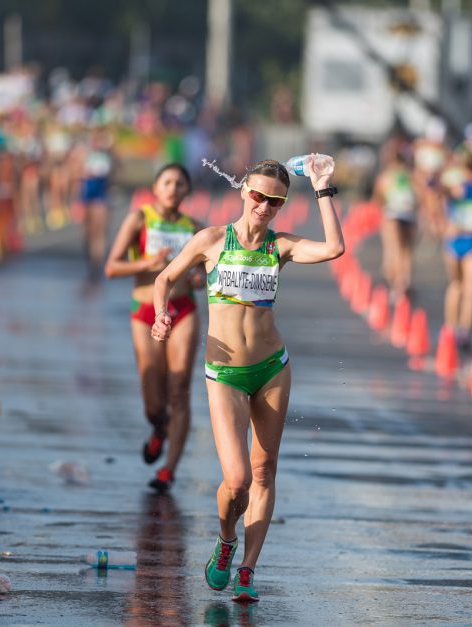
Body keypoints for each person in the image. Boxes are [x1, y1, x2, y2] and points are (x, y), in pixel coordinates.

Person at [152, 157, 344, 602]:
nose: (264, 206)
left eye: (275, 201)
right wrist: (162, 314)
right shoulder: (212, 240)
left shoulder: (282, 245)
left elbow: (334, 248)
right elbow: (165, 278)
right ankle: (225, 541)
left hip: (272, 368)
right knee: (235, 481)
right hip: (225, 374)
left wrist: (322, 188)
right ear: (243, 191)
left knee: (264, 471)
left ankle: (247, 569)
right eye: (257, 195)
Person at [105, 164, 202, 492]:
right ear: (156, 188)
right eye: (167, 182)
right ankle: (160, 429)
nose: (173, 188)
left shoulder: (196, 229)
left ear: (188, 191)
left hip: (182, 309)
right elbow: (112, 267)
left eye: (180, 183)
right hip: (145, 309)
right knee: (153, 399)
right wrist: (148, 263)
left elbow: (207, 276)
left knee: (180, 388)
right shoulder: (139, 219)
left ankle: (169, 470)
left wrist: (200, 278)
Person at [437, 151, 472, 351]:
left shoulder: (454, 184)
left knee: (456, 285)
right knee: (471, 286)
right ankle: (463, 332)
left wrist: (440, 221)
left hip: (455, 238)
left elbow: (435, 191)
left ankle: (451, 329)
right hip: (471, 238)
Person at [373, 141, 420, 300]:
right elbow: (421, 195)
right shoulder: (411, 175)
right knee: (406, 252)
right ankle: (405, 282)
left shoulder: (386, 176)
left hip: (392, 215)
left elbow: (378, 200)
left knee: (393, 252)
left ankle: (397, 286)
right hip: (409, 215)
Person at [73, 124, 115, 279]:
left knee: (99, 233)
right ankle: (90, 260)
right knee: (86, 234)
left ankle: (96, 267)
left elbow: (114, 175)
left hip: (100, 197)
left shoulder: (108, 156)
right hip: (85, 196)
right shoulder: (85, 154)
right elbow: (75, 173)